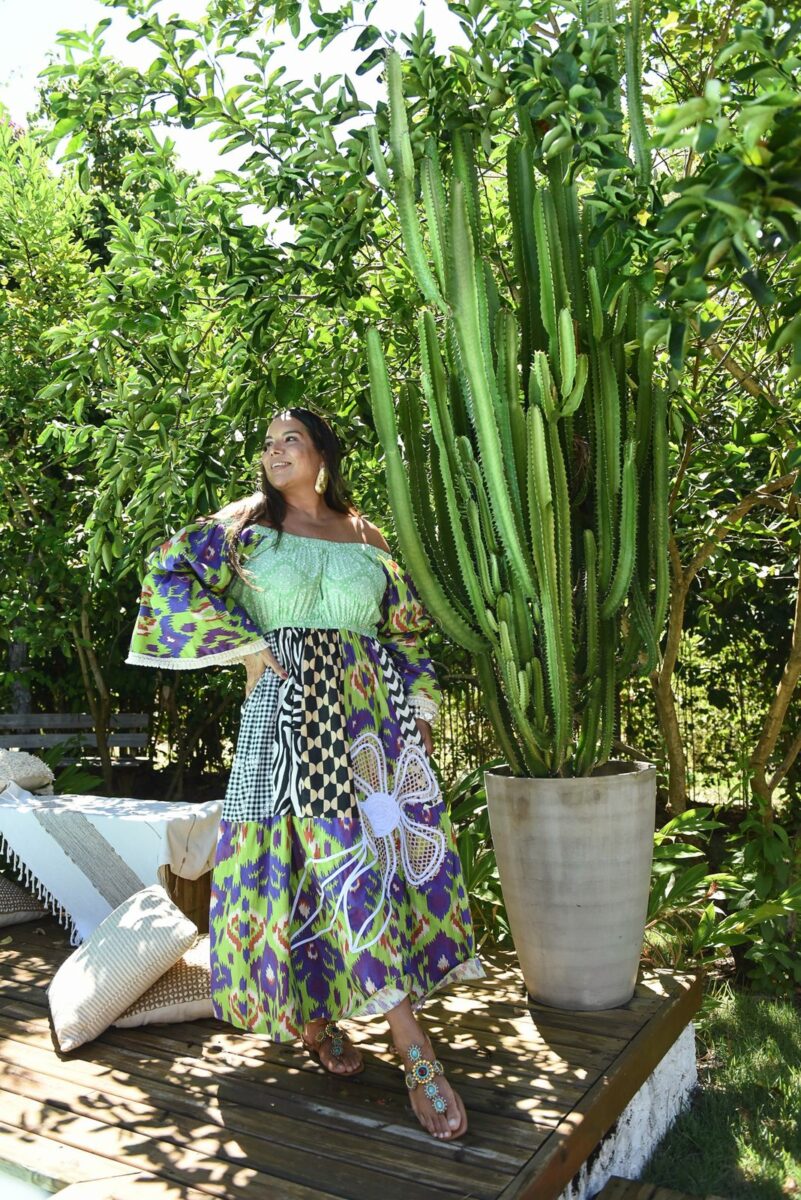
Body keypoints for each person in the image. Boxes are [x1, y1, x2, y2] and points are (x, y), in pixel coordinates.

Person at [127, 407, 483, 1141]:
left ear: (322, 454)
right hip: (288, 716)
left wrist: (418, 704)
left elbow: (404, 630)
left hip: (371, 721)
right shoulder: (243, 528)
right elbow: (166, 573)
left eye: (290, 439)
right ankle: (408, 1045)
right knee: (315, 858)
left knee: (362, 857)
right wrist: (246, 645)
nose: (274, 451)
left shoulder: (366, 536)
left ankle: (325, 1016)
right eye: (267, 443)